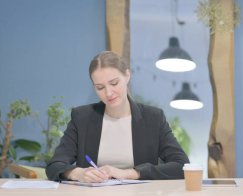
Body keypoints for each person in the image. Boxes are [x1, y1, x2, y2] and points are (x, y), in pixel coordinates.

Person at [46, 51, 189, 182]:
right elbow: (54, 165)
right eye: (100, 87)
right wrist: (78, 173)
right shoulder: (81, 118)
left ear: (127, 76)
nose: (108, 93)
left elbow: (182, 165)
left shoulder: (153, 118)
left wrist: (130, 173)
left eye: (114, 83)